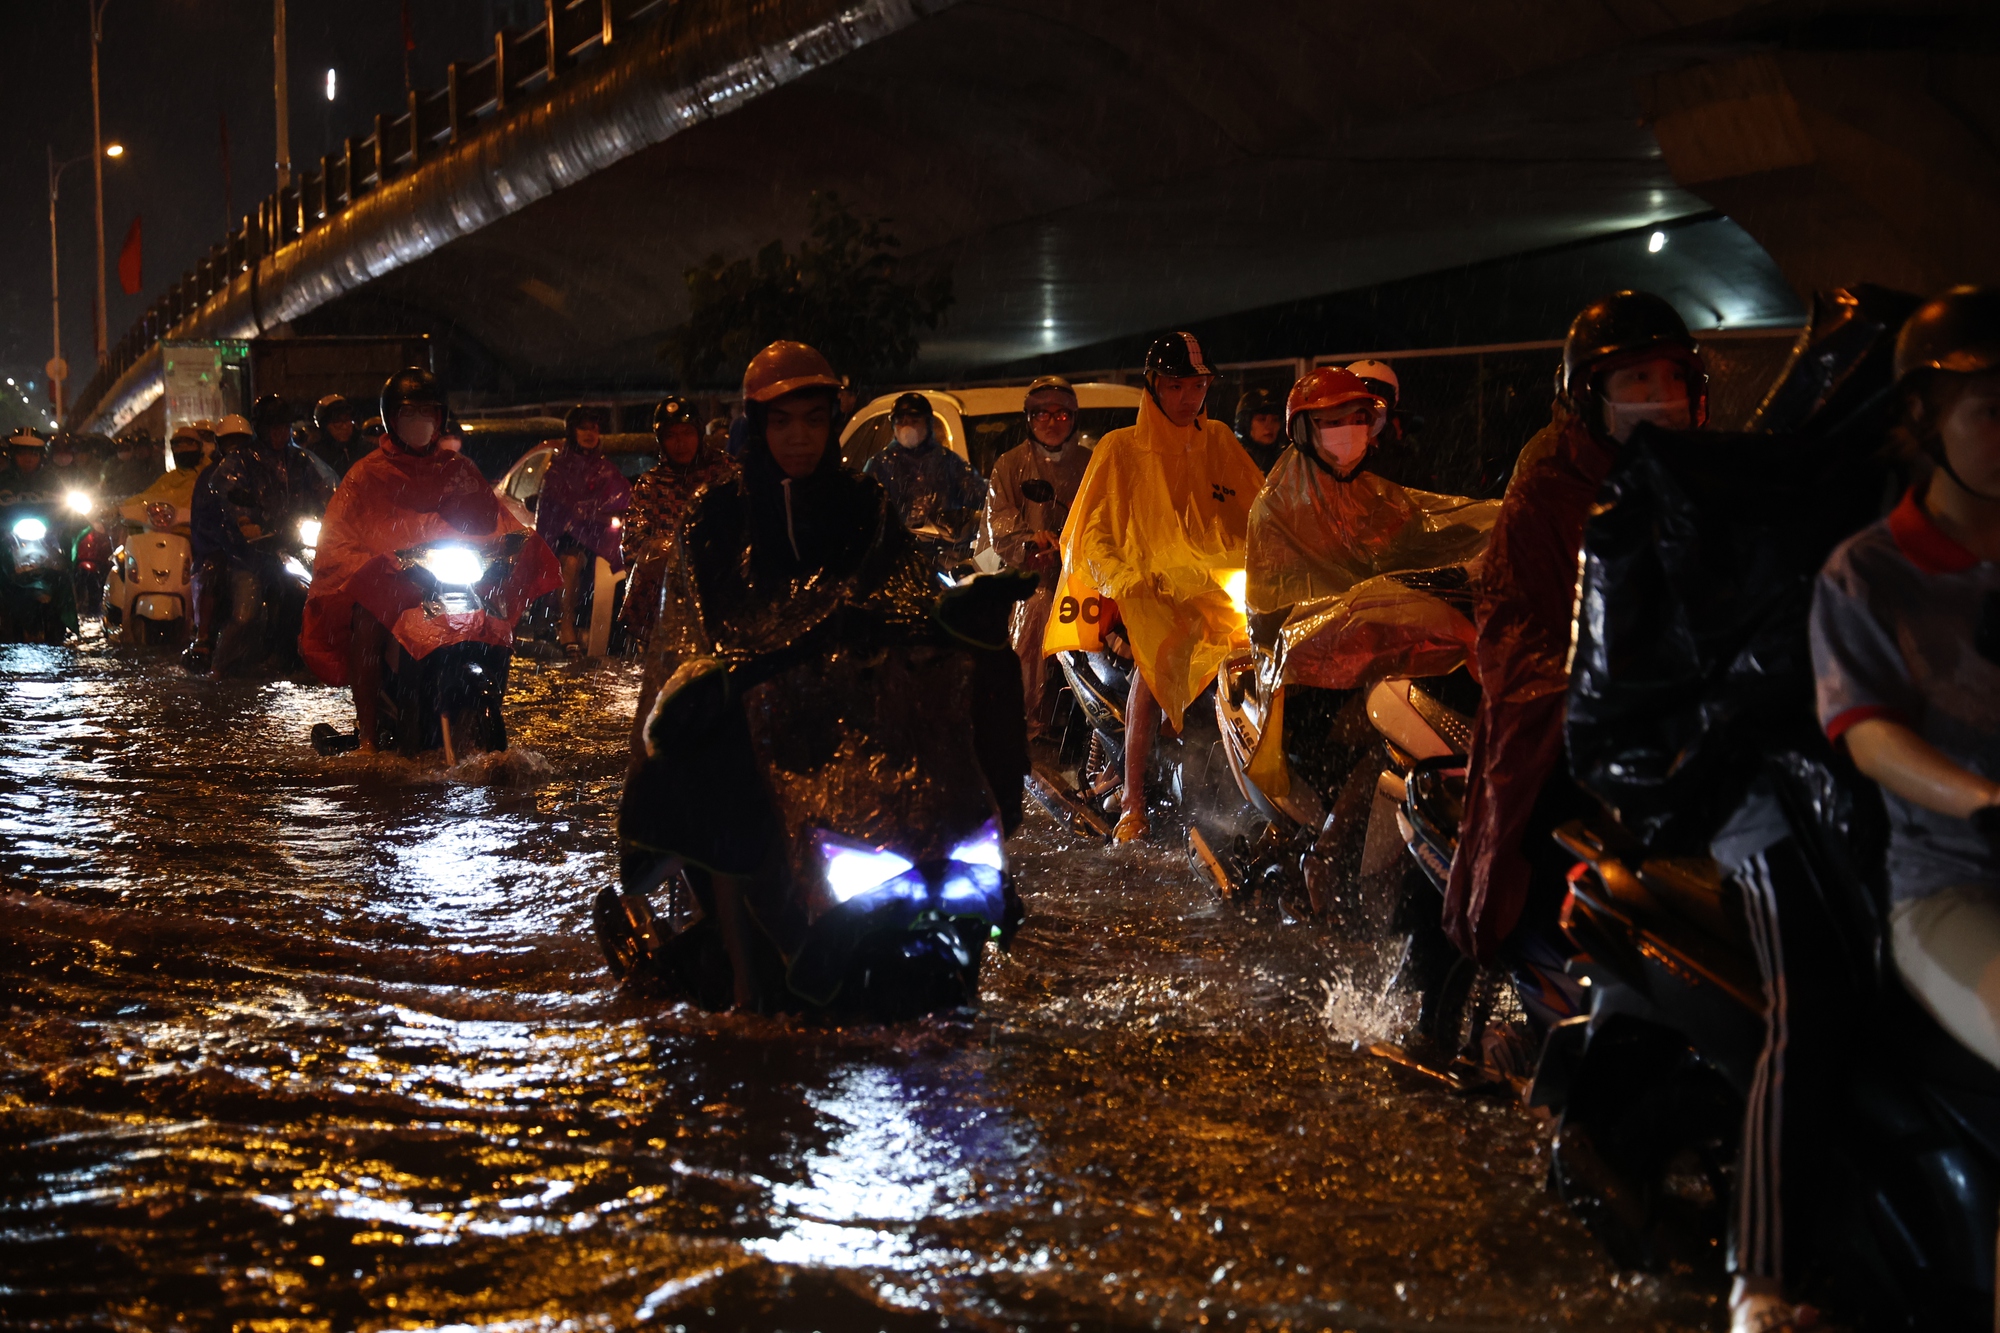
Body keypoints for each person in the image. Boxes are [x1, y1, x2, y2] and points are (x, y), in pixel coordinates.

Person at [622, 339, 1027, 1009]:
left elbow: (903, 591)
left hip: (851, 705)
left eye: (813, 420)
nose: (800, 438)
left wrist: (957, 615)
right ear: (758, 424)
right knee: (719, 769)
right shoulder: (715, 517)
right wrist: (716, 676)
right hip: (752, 712)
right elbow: (690, 628)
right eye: (783, 423)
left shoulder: (863, 502)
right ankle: (745, 979)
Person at [1444, 291, 1706, 961]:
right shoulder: (1545, 494)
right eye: (1638, 379)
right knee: (1543, 862)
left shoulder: (1705, 485)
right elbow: (1511, 632)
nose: (1660, 394)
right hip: (1574, 733)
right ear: (1592, 395)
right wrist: (1595, 689)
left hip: (1687, 726)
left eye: (1672, 377)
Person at [1243, 367, 1498, 815]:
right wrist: (1362, 611)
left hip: (1381, 645)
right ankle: (1327, 853)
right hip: (1310, 676)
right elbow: (1288, 619)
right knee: (1368, 736)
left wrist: (1496, 537)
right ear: (1305, 431)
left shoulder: (1378, 496)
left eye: (1357, 419)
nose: (1349, 432)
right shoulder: (1277, 507)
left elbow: (1433, 535)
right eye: (1333, 422)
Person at [1045, 331, 1266, 842]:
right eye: (1176, 386)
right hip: (1144, 598)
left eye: (1199, 385)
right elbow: (1086, 535)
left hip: (1213, 594)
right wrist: (1125, 578)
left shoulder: (1220, 443)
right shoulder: (1119, 449)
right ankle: (1133, 801)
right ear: (1153, 387)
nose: (1190, 398)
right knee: (1158, 656)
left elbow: (1261, 511)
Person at [301, 368, 558, 751]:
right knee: (365, 623)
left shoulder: (459, 470)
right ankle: (369, 735)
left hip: (450, 581)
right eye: (410, 414)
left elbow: (493, 521)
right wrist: (375, 566)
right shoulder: (366, 475)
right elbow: (341, 541)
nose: (420, 422)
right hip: (393, 587)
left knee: (495, 622)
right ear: (392, 417)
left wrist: (516, 548)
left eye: (428, 413)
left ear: (440, 418)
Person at [982, 376, 1093, 737]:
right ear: (1029, 419)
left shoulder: (1091, 464)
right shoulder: (1010, 465)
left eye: (1061, 414)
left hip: (1084, 573)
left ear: (1073, 419)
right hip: (1029, 576)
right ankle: (1030, 712)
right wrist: (1032, 540)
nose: (1051, 421)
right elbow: (999, 523)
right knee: (1037, 609)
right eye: (1042, 414)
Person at [621, 395, 736, 649]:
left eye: (686, 432)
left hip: (721, 576)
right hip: (668, 584)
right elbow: (633, 541)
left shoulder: (725, 471)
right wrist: (671, 551)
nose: (680, 443)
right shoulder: (650, 484)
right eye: (671, 436)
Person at [535, 404, 632, 658]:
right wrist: (575, 519)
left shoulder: (608, 470)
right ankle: (566, 626)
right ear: (572, 432)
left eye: (594, 428)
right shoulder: (558, 469)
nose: (590, 433)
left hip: (604, 538)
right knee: (570, 563)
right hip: (568, 538)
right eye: (583, 428)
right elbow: (551, 510)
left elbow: (625, 500)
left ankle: (629, 631)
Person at [862, 393, 987, 566]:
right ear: (893, 425)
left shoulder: (947, 461)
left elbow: (978, 494)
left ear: (928, 423)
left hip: (945, 555)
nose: (907, 428)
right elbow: (866, 511)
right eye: (901, 421)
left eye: (914, 421)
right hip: (895, 559)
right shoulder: (880, 464)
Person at [118, 426, 210, 534]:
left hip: (201, 539)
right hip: (171, 537)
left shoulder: (211, 475)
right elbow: (147, 497)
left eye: (188, 444)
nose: (182, 449)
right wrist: (120, 507)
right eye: (178, 446)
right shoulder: (169, 478)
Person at [312, 394, 369, 475]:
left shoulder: (365, 450)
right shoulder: (314, 456)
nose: (345, 426)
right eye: (337, 421)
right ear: (324, 426)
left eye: (347, 420)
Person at [1233, 386, 1286, 474]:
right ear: (1245, 423)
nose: (1269, 426)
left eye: (1275, 420)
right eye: (1262, 419)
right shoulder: (1232, 459)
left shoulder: (1286, 460)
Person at [0, 428, 48, 499]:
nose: (28, 460)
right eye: (22, 454)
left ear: (41, 457)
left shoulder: (51, 480)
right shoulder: (2, 480)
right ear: (12, 456)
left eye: (34, 454)